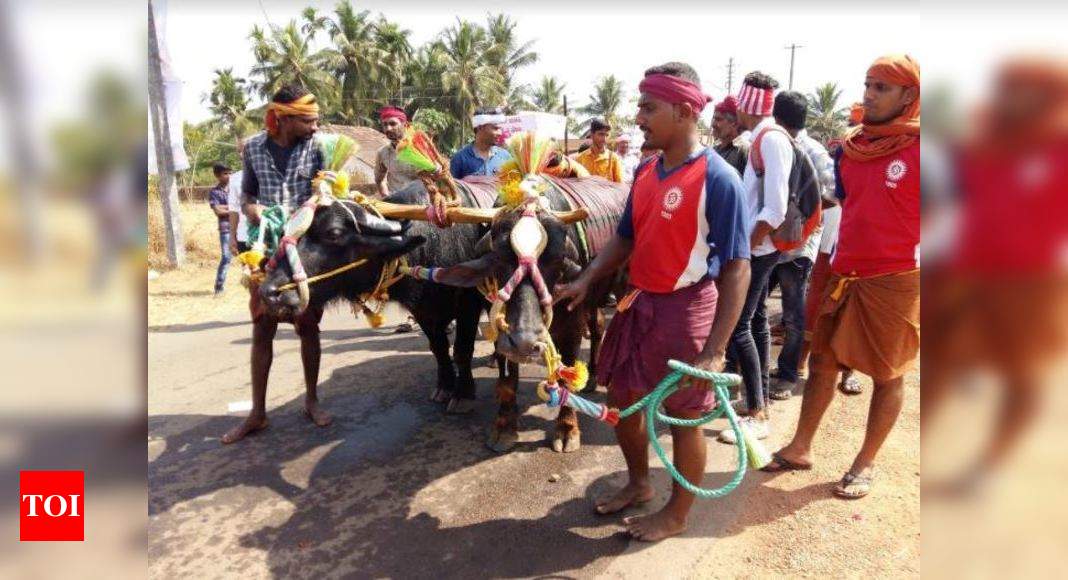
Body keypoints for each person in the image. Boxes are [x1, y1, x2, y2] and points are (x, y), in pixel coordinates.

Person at [555, 62, 750, 542]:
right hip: (637, 303)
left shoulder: (718, 178)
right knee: (621, 403)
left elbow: (737, 267)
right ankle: (640, 484)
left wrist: (716, 347)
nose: (637, 117)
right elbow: (624, 238)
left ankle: (676, 515)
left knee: (686, 417)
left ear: (684, 111)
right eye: (639, 105)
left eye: (647, 107)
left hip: (687, 312)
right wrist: (586, 279)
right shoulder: (644, 170)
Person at [764, 55, 921, 502]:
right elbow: (845, 201)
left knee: (887, 375)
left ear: (908, 96)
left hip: (896, 278)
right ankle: (800, 448)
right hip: (842, 269)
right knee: (823, 361)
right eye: (868, 84)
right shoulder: (849, 148)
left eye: (881, 88)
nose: (869, 94)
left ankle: (865, 462)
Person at [224, 84, 329, 444]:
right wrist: (258, 212)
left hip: (304, 251)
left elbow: (326, 194)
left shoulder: (318, 147)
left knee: (308, 326)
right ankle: (257, 413)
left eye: (316, 121)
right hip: (264, 251)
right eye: (308, 121)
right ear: (283, 118)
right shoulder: (253, 147)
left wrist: (310, 208)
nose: (316, 128)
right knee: (262, 328)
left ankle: (312, 400)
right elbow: (248, 196)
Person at [719, 71, 791, 444]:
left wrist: (744, 251)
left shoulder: (771, 140)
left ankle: (757, 413)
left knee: (738, 327)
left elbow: (775, 209)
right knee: (757, 323)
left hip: (756, 250)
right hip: (756, 248)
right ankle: (756, 401)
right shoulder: (762, 138)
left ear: (748, 106)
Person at [766, 91, 834, 400]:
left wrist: (808, 215)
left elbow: (835, 190)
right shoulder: (774, 143)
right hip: (768, 242)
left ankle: (788, 373)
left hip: (797, 247)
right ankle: (750, 367)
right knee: (755, 309)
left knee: (792, 313)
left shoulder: (812, 151)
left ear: (776, 116)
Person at [799, 104, 865, 396]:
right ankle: (797, 362)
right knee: (815, 299)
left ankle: (848, 371)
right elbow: (829, 193)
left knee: (852, 309)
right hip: (830, 238)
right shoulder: (844, 150)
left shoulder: (881, 155)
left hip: (860, 246)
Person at [450, 107, 511, 179]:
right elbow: (451, 187)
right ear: (480, 128)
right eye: (495, 128)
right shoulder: (460, 158)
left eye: (500, 129)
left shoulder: (505, 156)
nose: (500, 133)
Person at [375, 106, 422, 197]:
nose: (388, 128)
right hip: (396, 204)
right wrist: (386, 197)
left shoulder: (420, 148)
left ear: (405, 125)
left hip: (422, 203)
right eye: (385, 124)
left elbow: (436, 175)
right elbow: (379, 180)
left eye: (393, 124)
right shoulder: (382, 153)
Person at [208, 163, 232, 295]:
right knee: (226, 257)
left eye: (230, 173)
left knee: (250, 256)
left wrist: (226, 207)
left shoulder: (236, 189)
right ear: (217, 176)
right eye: (225, 173)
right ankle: (219, 287)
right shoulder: (214, 192)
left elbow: (243, 204)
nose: (229, 176)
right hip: (226, 229)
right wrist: (234, 208)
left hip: (240, 228)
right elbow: (218, 211)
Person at [711, 96, 750, 177]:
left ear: (734, 124)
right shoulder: (714, 149)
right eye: (714, 119)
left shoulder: (744, 150)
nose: (713, 124)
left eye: (718, 119)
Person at [227, 140, 249, 256]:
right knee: (250, 273)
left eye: (245, 150)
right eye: (240, 151)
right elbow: (233, 209)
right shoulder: (235, 179)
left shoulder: (270, 175)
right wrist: (232, 237)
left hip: (270, 236)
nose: (242, 154)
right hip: (244, 237)